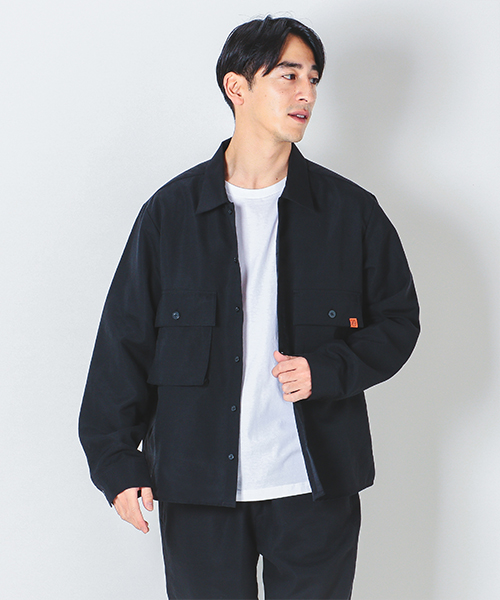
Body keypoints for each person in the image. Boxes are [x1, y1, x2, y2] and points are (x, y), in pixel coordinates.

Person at [79, 15, 419, 600]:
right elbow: (123, 345)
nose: (307, 93)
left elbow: (399, 320)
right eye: (289, 75)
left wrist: (328, 370)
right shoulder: (170, 215)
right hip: (197, 489)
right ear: (237, 87)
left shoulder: (350, 212)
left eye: (313, 78)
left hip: (314, 488)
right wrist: (117, 467)